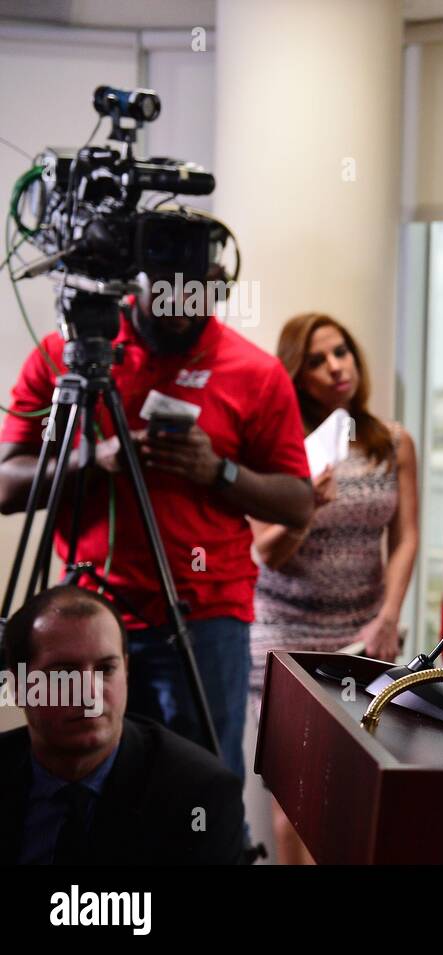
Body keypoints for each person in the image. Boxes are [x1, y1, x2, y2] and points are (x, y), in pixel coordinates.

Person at [0, 279, 314, 782]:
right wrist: (93, 459)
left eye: (202, 295)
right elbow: (6, 487)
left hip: (204, 617)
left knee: (200, 789)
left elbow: (299, 503)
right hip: (88, 612)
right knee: (83, 780)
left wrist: (219, 472)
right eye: (168, 295)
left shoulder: (254, 371)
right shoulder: (67, 359)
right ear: (136, 280)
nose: (181, 313)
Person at [249, 312, 418, 864]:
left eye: (340, 352)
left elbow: (407, 536)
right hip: (284, 637)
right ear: (295, 375)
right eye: (316, 361)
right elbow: (265, 552)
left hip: (363, 636)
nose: (335, 367)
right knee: (292, 802)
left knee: (355, 794)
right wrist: (307, 505)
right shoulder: (276, 448)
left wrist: (389, 614)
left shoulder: (392, 442)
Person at [0, 586, 245, 864]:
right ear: (17, 687)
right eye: (64, 673)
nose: (90, 694)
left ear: (126, 671)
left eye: (105, 669)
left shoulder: (200, 795)